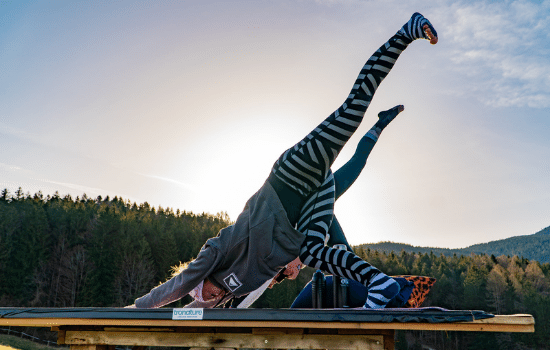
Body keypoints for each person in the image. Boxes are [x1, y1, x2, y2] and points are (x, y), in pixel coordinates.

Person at [131, 12, 438, 310]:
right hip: (312, 196)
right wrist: (289, 266)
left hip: (290, 176)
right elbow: (213, 310)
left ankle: (405, 33)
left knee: (352, 110)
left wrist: (138, 308)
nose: (208, 297)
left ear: (204, 281)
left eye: (204, 293)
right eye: (210, 299)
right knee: (313, 251)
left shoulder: (216, 252)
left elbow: (180, 282)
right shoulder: (241, 290)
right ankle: (379, 283)